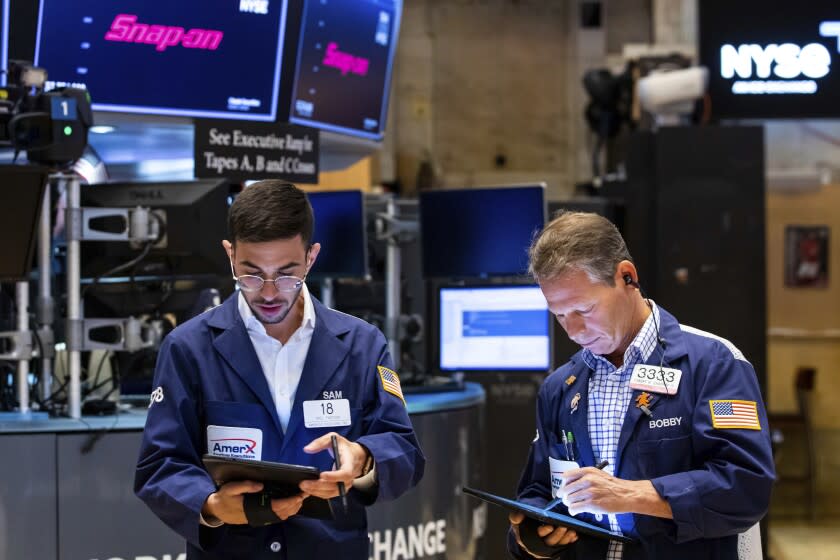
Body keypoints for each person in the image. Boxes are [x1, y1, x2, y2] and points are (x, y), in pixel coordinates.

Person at [135, 180, 425, 559]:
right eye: (252, 274)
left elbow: (404, 450)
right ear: (230, 255)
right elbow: (161, 464)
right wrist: (211, 505)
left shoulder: (362, 343)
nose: (269, 292)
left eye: (287, 274)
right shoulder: (188, 347)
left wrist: (363, 459)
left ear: (311, 257)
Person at [508, 211, 774, 560]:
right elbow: (539, 490)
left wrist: (631, 495)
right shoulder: (560, 387)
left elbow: (746, 488)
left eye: (584, 309)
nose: (573, 330)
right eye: (559, 315)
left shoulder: (714, 364)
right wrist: (534, 532)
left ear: (627, 277)